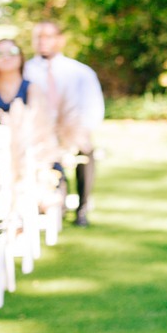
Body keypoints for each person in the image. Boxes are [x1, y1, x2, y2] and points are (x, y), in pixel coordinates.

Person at [24, 22, 105, 227]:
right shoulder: (26, 71)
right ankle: (55, 204)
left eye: (49, 36)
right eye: (39, 37)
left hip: (73, 130)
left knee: (86, 152)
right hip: (40, 133)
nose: (43, 42)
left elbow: (93, 106)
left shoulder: (79, 71)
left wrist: (78, 134)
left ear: (60, 40)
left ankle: (83, 208)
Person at [0, 39, 46, 127]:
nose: (6, 57)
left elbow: (35, 123)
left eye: (13, 52)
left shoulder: (32, 88)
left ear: (21, 56)